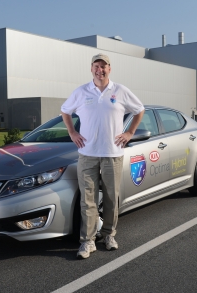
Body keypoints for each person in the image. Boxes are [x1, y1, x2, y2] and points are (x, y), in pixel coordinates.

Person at [61, 53, 144, 259]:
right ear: (91, 69)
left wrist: (130, 133)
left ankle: (109, 235)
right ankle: (88, 241)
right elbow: (65, 111)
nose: (100, 70)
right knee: (87, 200)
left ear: (110, 68)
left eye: (104, 66)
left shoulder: (120, 91)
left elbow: (139, 110)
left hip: (112, 154)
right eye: (97, 66)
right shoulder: (81, 92)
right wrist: (72, 132)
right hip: (87, 155)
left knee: (110, 198)